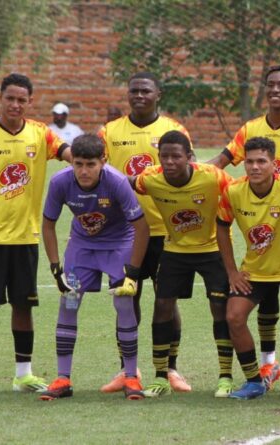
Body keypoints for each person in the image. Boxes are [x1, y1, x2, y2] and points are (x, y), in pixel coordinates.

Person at [209, 64, 280, 386]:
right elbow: (219, 163)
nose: (275, 90)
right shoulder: (249, 130)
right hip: (261, 231)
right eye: (270, 84)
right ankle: (266, 367)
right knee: (261, 306)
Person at [0, 73, 71, 396]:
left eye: (22, 100)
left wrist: (85, 158)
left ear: (30, 102)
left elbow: (66, 152)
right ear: (0, 98)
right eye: (10, 98)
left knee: (24, 305)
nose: (16, 105)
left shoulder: (40, 134)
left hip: (25, 238)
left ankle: (24, 374)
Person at [98, 72, 193, 393]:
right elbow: (98, 175)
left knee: (167, 301)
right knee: (127, 300)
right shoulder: (109, 132)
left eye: (145, 91)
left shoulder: (174, 131)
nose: (139, 95)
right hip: (124, 233)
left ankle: (169, 369)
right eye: (133, 90)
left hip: (167, 231)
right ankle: (128, 370)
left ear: (158, 94)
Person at [38, 134, 149, 400]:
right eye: (78, 164)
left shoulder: (118, 182)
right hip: (82, 248)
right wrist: (56, 268)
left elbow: (142, 227)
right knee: (69, 301)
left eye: (90, 164)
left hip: (118, 245)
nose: (84, 171)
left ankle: (131, 377)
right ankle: (63, 378)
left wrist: (132, 273)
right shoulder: (60, 183)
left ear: (103, 161)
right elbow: (48, 225)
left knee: (124, 303)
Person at [132, 130, 234, 398]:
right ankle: (160, 376)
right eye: (164, 156)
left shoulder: (212, 176)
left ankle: (225, 376)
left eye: (176, 156)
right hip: (174, 250)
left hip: (212, 250)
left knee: (219, 308)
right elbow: (125, 183)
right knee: (162, 305)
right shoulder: (150, 179)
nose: (170, 162)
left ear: (189, 157)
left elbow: (239, 193)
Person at [217, 137, 280, 400]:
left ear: (274, 164)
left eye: (261, 161)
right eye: (249, 161)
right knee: (234, 317)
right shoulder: (233, 191)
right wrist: (232, 272)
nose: (255, 167)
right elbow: (221, 227)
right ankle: (253, 381)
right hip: (254, 270)